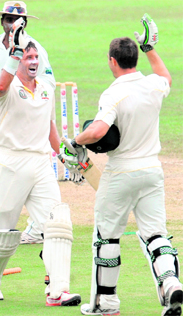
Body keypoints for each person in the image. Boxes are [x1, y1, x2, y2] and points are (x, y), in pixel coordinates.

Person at [61, 14, 183, 316]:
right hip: (151, 172)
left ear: (113, 61)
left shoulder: (115, 92)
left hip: (121, 173)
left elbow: (99, 131)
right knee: (156, 235)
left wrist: (78, 140)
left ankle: (106, 303)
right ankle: (170, 284)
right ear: (133, 58)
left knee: (106, 236)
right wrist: (150, 48)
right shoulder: (154, 85)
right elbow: (165, 76)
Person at [0, 18, 83, 305]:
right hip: (8, 163)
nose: (34, 60)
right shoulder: (7, 86)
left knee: (57, 223)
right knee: (2, 232)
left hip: (40, 164)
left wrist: (63, 154)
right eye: (28, 56)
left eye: (36, 56)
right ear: (17, 60)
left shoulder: (45, 88)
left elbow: (49, 125)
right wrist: (13, 54)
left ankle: (57, 290)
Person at [0, 1, 55, 244]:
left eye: (17, 20)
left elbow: (48, 85)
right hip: (3, 114)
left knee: (33, 173)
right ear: (2, 20)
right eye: (7, 18)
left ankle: (35, 230)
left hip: (28, 115)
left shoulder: (35, 49)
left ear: (23, 22)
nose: (11, 23)